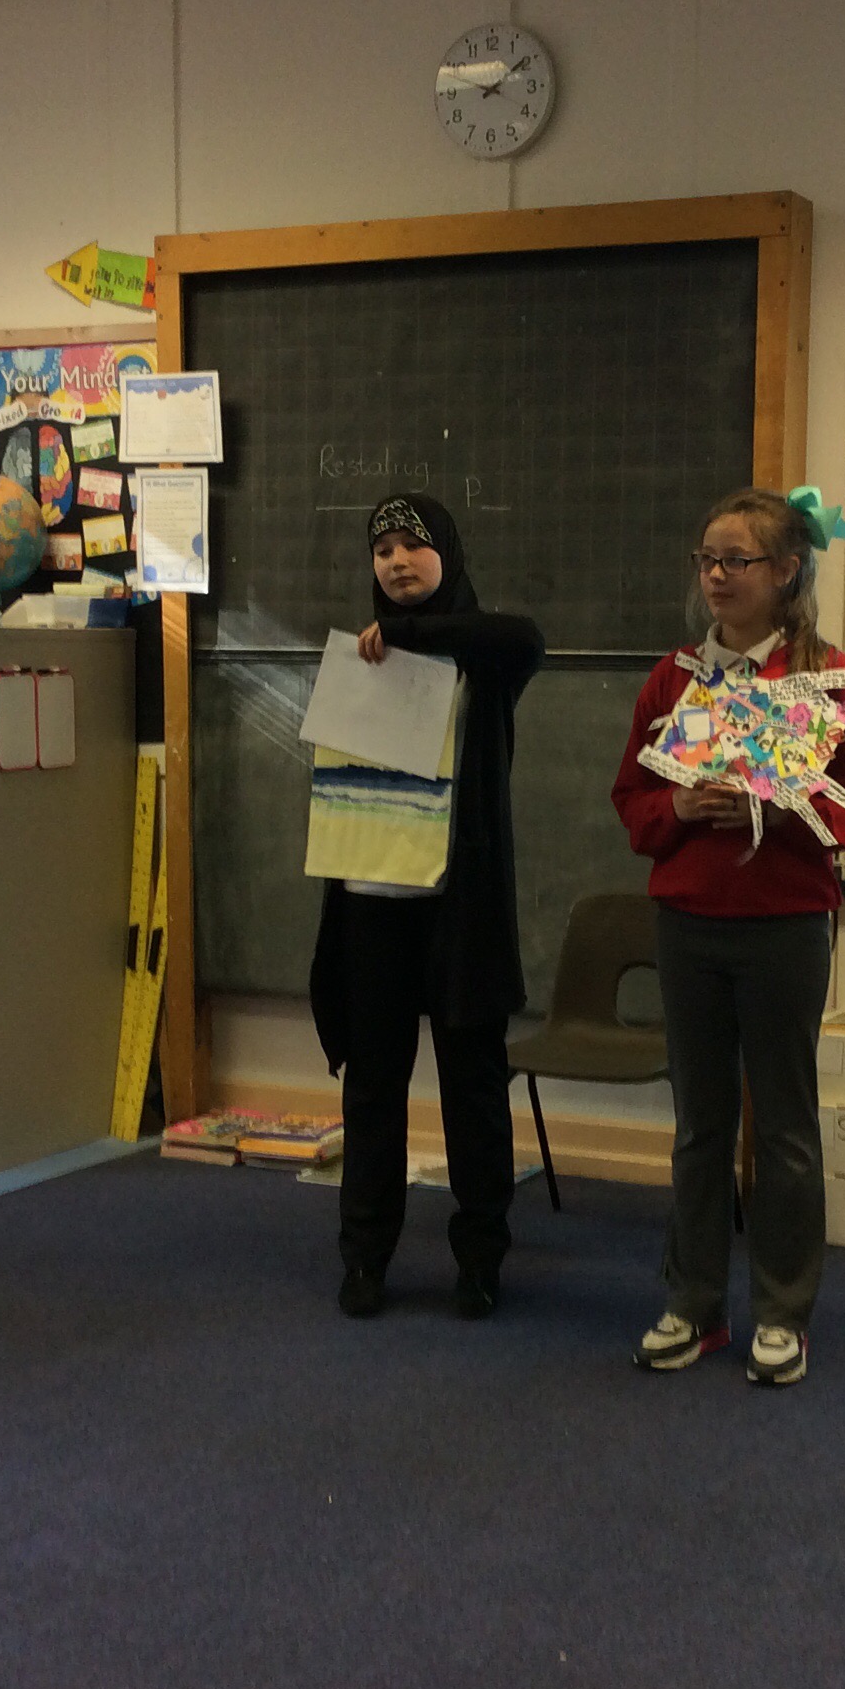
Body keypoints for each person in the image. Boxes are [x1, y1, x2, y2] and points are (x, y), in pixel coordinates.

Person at [611, 486, 845, 1386]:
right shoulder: (676, 678)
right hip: (687, 924)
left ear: (787, 571)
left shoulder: (826, 681)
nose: (717, 576)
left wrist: (776, 807)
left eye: (737, 560)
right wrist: (681, 808)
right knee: (700, 1126)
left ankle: (782, 1314)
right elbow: (632, 799)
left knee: (787, 1129)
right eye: (707, 560)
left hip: (784, 928)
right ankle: (694, 1305)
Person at [308, 493, 545, 1320]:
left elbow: (522, 638)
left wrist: (414, 635)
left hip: (458, 909)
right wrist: (386, 644)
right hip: (370, 903)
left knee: (472, 1090)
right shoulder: (358, 659)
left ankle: (479, 1260)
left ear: (447, 552)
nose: (397, 561)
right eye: (382, 551)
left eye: (414, 545)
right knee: (373, 1090)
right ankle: (364, 1258)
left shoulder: (485, 659)